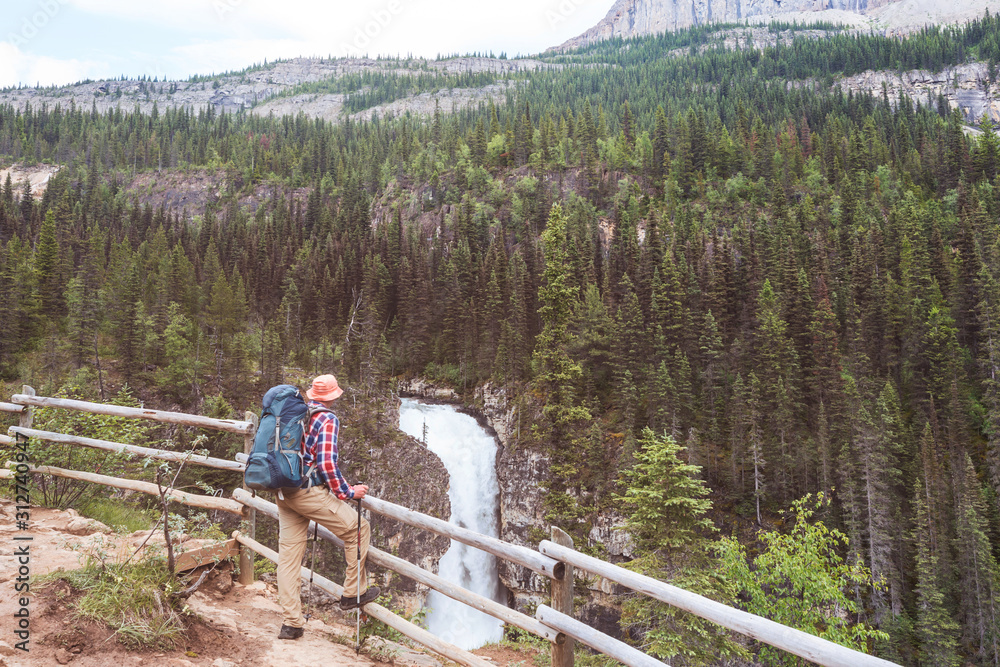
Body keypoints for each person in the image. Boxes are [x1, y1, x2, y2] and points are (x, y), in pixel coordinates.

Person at [276, 373, 380, 640]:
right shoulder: (327, 418)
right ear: (333, 396)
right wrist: (348, 492)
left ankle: (291, 624)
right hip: (308, 493)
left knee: (288, 558)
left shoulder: (292, 413)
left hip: (284, 491)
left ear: (312, 394)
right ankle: (352, 593)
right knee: (359, 529)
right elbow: (326, 464)